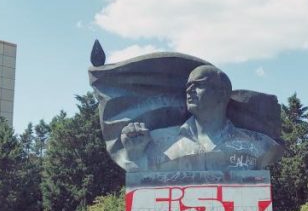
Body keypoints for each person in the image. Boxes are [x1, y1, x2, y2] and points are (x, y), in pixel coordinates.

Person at [118, 65, 283, 171]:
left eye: (198, 85)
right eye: (188, 86)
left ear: (222, 93)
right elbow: (142, 190)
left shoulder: (260, 144)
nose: (189, 91)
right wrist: (135, 154)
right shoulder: (155, 142)